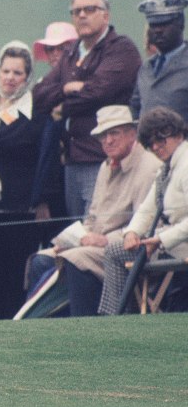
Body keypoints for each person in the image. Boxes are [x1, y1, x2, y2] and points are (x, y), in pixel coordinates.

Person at [26, 105, 159, 316]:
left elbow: (146, 226)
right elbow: (93, 216)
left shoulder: (149, 167)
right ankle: (47, 330)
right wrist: (75, 238)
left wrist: (105, 240)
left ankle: (83, 325)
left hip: (128, 247)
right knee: (42, 259)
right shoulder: (106, 165)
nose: (108, 141)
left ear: (132, 133)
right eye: (102, 136)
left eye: (114, 133)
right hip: (96, 245)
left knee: (75, 259)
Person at [33, 0, 142, 218]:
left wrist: (62, 107)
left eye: (90, 9)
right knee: (78, 231)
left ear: (106, 15)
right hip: (73, 160)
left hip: (104, 157)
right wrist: (65, 88)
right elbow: (38, 96)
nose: (82, 15)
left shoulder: (121, 48)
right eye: (76, 11)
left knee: (99, 228)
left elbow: (98, 92)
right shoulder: (71, 52)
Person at [0, 41, 45, 319]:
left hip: (20, 207)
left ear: (27, 77)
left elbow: (42, 159)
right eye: (6, 71)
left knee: (16, 275)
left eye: (17, 73)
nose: (10, 78)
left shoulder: (34, 113)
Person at [99, 107, 188, 315]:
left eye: (161, 140)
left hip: (178, 244)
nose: (156, 147)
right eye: (151, 143)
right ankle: (116, 317)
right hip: (171, 243)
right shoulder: (168, 166)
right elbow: (147, 209)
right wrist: (132, 233)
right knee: (115, 250)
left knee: (113, 252)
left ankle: (117, 318)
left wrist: (160, 240)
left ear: (178, 134)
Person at [30, 22, 78, 239]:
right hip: (54, 187)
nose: (57, 54)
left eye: (63, 48)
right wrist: (42, 197)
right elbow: (42, 149)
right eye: (51, 49)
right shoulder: (41, 89)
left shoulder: (86, 83)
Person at [130, 0, 188, 121]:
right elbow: (135, 107)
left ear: (181, 24)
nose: (158, 30)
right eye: (153, 25)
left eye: (165, 24)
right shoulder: (146, 68)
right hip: (149, 140)